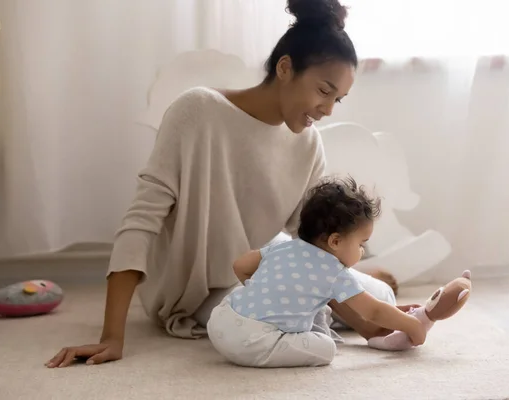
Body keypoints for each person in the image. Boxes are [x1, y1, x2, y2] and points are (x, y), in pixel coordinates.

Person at [45, 0, 400, 369]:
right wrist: (111, 337)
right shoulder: (198, 111)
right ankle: (360, 281)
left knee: (382, 300)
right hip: (202, 291)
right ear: (285, 68)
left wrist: (368, 324)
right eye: (324, 91)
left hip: (266, 268)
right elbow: (141, 221)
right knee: (320, 316)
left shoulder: (309, 143)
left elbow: (311, 250)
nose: (328, 109)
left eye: (337, 99)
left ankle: (365, 281)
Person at [207, 177, 426, 368]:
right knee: (326, 348)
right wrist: (412, 325)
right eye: (362, 244)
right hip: (253, 343)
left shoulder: (283, 246)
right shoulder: (335, 272)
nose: (362, 251)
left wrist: (263, 291)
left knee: (315, 309)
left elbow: (240, 266)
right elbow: (374, 312)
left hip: (220, 324)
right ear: (335, 241)